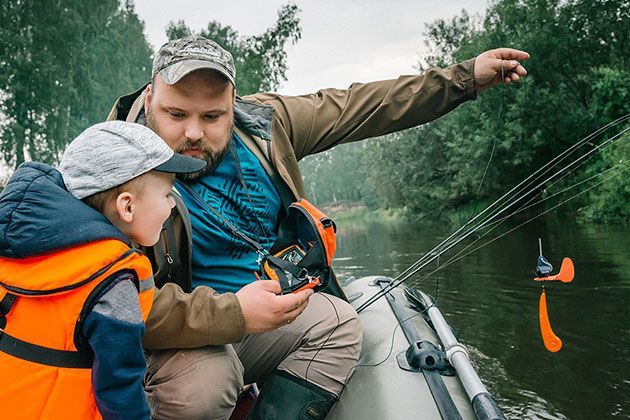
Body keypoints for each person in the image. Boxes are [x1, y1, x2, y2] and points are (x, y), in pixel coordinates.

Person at [108, 35, 529, 419]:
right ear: (150, 99)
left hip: (259, 323)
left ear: (233, 104)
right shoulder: (110, 170)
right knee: (209, 382)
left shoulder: (267, 125)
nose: (194, 132)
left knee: (340, 324)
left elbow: (362, 106)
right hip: (179, 341)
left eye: (213, 115)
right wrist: (233, 313)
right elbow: (116, 306)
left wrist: (463, 78)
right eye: (176, 114)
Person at [0, 121, 205, 419]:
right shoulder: (113, 281)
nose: (172, 206)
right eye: (166, 195)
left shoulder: (20, 249)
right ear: (127, 207)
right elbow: (119, 386)